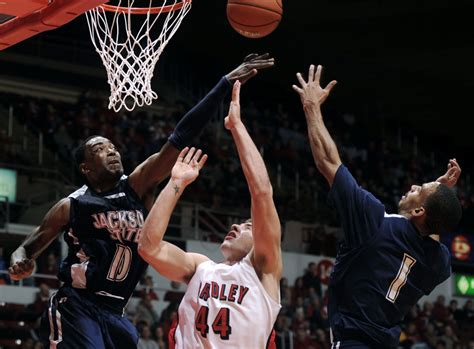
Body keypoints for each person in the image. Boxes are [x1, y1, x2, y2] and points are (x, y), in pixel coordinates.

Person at [7, 54, 274, 349]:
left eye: (112, 146)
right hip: (78, 305)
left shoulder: (137, 185)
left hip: (116, 312)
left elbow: (180, 136)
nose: (112, 151)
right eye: (100, 149)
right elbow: (26, 248)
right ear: (85, 168)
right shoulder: (72, 205)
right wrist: (19, 261)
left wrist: (224, 84)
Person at [292, 64, 463, 349]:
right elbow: (435, 227)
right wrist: (439, 193)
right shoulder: (439, 264)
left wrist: (311, 107)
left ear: (420, 212)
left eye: (420, 189)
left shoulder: (374, 222)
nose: (414, 185)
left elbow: (328, 162)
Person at [138, 81, 282, 348]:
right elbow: (149, 247)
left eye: (248, 226)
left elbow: (261, 191)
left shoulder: (263, 270)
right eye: (239, 224)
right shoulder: (200, 268)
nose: (237, 226)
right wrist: (175, 183)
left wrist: (237, 128)